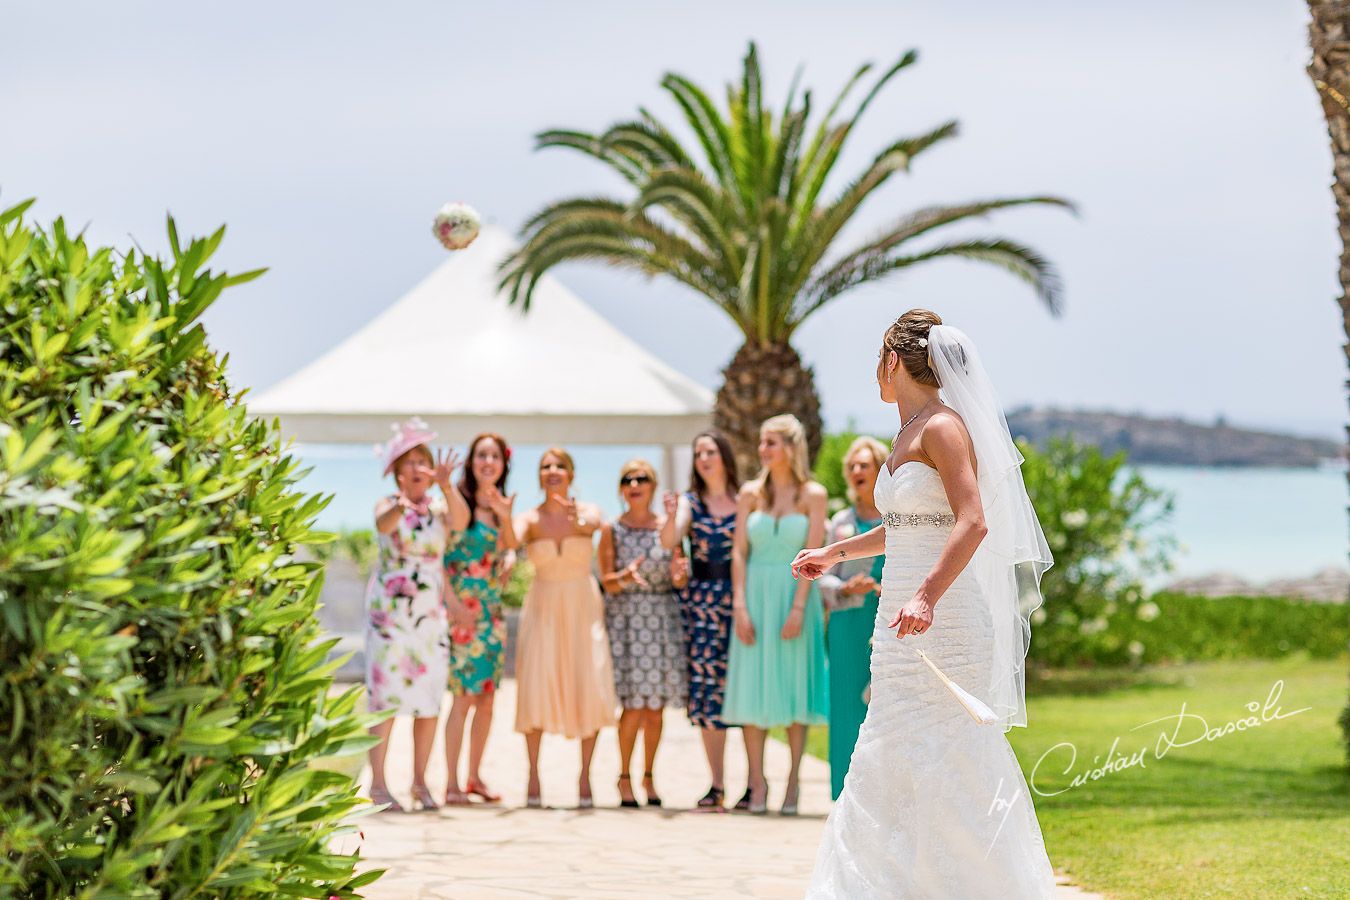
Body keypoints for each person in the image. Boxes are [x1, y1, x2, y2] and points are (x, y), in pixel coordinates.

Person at [793, 309, 1057, 897]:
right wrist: (835, 553)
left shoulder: (943, 426)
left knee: (950, 756)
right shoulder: (905, 429)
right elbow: (907, 526)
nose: (875, 375)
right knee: (886, 751)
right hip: (899, 624)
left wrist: (925, 596)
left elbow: (972, 520)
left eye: (877, 362)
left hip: (942, 617)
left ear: (893, 360)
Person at [722, 414, 829, 816]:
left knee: (792, 686)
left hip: (795, 594)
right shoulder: (750, 493)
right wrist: (740, 605)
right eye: (762, 442)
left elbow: (815, 553)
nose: (763, 449)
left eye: (772, 442)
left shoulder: (813, 494)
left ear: (791, 447)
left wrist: (799, 606)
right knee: (754, 686)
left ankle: (794, 781)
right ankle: (756, 782)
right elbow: (738, 551)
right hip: (753, 594)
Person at [365, 418, 464, 812]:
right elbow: (383, 524)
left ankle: (420, 783)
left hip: (430, 616)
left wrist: (447, 485)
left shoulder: (441, 509)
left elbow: (462, 521)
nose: (417, 467)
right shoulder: (387, 504)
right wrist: (402, 506)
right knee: (385, 698)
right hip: (391, 616)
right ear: (397, 472)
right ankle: (377, 785)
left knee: (429, 698)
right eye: (409, 461)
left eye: (423, 459)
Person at [512, 447, 618, 809]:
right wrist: (501, 516)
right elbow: (511, 539)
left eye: (559, 466)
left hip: (581, 607)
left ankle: (585, 776)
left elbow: (594, 528)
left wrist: (580, 521)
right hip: (542, 607)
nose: (552, 471)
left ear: (571, 474)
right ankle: (532, 774)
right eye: (545, 466)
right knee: (535, 684)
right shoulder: (528, 518)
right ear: (539, 475)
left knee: (589, 682)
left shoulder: (589, 512)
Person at [660, 430, 744, 809]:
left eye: (710, 451)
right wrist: (669, 517)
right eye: (698, 454)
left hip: (743, 599)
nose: (703, 459)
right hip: (703, 604)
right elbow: (669, 539)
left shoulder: (747, 499)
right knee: (710, 693)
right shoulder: (690, 502)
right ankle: (717, 784)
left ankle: (754, 784)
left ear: (725, 456)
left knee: (745, 687)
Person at [598, 459, 688, 808]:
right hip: (627, 622)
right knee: (632, 707)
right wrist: (624, 577)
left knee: (655, 709)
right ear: (621, 488)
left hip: (661, 619)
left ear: (652, 486)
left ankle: (649, 777)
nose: (635, 483)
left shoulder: (668, 526)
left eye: (642, 478)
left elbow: (678, 576)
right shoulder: (611, 529)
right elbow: (606, 580)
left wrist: (680, 575)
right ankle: (623, 777)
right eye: (628, 479)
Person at [442, 433, 518, 805]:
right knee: (463, 699)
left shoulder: (500, 505)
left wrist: (510, 557)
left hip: (492, 614)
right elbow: (437, 557)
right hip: (462, 613)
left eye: (495, 456)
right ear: (471, 462)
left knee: (486, 701)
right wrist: (452, 603)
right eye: (481, 455)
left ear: (504, 464)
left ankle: (474, 778)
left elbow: (509, 548)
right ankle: (451, 783)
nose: (488, 462)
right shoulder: (457, 501)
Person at [815, 436, 888, 801]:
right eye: (853, 466)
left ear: (880, 469)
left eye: (865, 464)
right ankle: (844, 796)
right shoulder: (840, 522)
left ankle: (881, 792)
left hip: (889, 626)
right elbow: (822, 576)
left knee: (885, 706)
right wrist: (844, 590)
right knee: (845, 706)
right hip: (846, 628)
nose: (857, 471)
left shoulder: (898, 519)